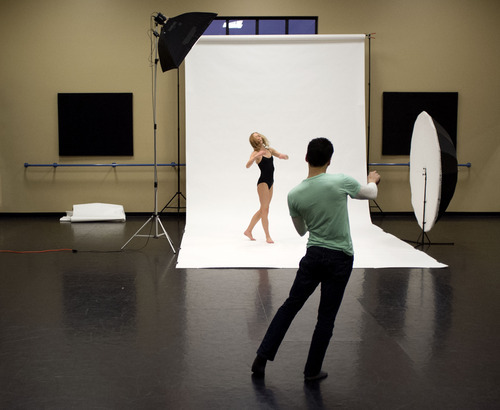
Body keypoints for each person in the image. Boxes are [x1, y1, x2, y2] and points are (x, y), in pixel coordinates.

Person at [251, 137, 380, 382]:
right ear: (329, 161)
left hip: (313, 256)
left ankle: (261, 357)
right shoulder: (341, 181)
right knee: (326, 317)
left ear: (306, 158)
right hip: (340, 258)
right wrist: (373, 180)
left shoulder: (295, 194)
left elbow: (301, 231)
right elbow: (369, 194)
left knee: (289, 307)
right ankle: (312, 370)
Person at [244, 132, 289, 244]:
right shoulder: (256, 153)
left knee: (264, 209)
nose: (259, 137)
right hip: (263, 182)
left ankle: (248, 230)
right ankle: (267, 236)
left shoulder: (269, 150)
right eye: (256, 137)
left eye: (259, 135)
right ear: (253, 141)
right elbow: (247, 165)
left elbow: (279, 155)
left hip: (271, 182)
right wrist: (255, 156)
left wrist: (283, 156)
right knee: (265, 210)